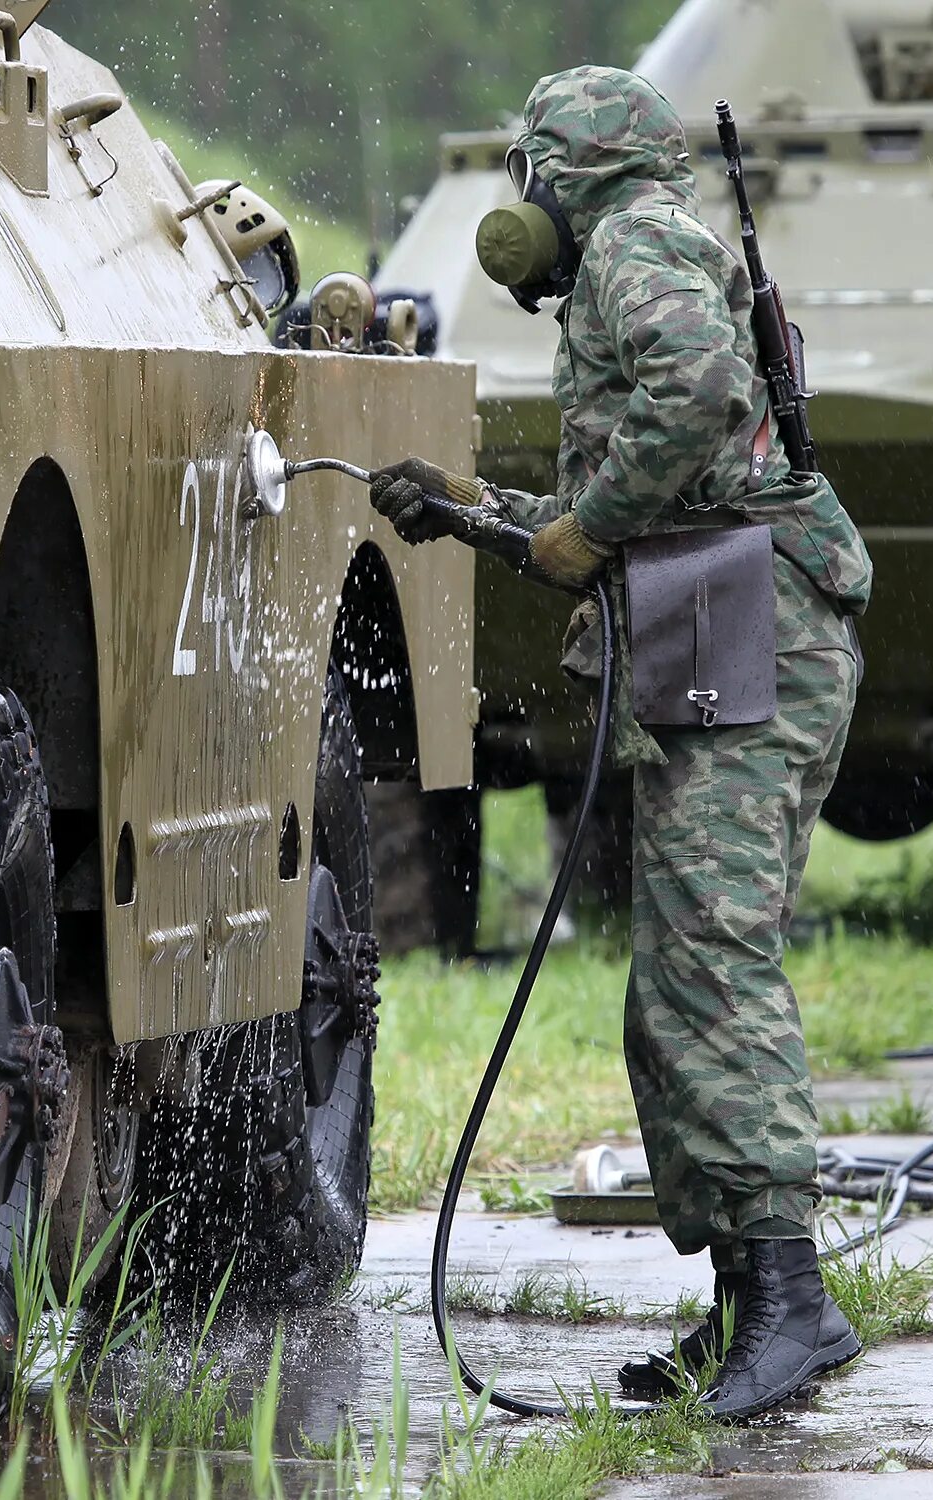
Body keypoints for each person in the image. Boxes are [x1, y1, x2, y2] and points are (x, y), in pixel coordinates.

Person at [369, 66, 874, 1421]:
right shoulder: (656, 242)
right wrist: (473, 509)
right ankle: (749, 1305)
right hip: (734, 627)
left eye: (529, 179)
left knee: (712, 972)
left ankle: (793, 1306)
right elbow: (659, 484)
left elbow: (693, 398)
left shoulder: (632, 244)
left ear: (564, 180)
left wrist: (581, 532)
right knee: (674, 985)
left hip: (751, 635)